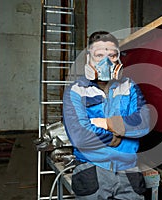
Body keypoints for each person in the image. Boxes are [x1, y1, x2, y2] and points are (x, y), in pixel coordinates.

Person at [63, 31, 150, 200]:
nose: (106, 61)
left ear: (118, 59)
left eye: (112, 55)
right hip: (92, 170)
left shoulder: (129, 86)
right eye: (99, 55)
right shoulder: (76, 91)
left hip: (128, 171)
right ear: (88, 58)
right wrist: (114, 137)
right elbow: (80, 136)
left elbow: (144, 124)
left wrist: (106, 123)